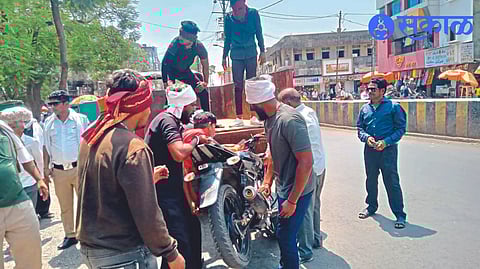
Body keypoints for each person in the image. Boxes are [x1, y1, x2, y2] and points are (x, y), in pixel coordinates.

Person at [77, 69, 185, 269]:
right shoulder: (133, 147)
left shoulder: (91, 136)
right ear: (140, 105)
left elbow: (101, 185)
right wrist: (170, 253)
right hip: (123, 254)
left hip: (93, 251)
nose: (150, 109)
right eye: (149, 103)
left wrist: (145, 179)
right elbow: (147, 212)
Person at [245, 75, 314, 269]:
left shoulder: (289, 120)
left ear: (260, 102)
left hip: (299, 190)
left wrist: (292, 201)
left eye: (252, 105)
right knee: (284, 232)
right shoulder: (269, 119)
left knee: (285, 235)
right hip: (285, 186)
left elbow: (306, 162)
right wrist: (267, 183)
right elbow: (273, 153)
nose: (251, 109)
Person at [145, 82, 210, 269]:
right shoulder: (167, 120)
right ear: (182, 106)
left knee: (193, 228)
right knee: (178, 245)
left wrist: (188, 197)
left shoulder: (170, 120)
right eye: (191, 106)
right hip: (163, 193)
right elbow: (179, 153)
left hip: (173, 191)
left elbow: (178, 165)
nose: (193, 110)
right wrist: (197, 140)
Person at [278, 88, 326, 264]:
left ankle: (305, 251)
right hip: (320, 165)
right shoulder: (309, 111)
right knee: (314, 205)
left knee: (303, 208)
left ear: (289, 102)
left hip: (309, 168)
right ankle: (315, 238)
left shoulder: (295, 119)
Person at [356, 79, 407, 229]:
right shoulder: (365, 108)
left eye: (373, 89)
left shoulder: (393, 107)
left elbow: (400, 129)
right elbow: (360, 128)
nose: (370, 92)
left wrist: (386, 142)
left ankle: (399, 214)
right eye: (369, 89)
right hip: (370, 150)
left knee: (391, 181)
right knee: (370, 179)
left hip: (388, 150)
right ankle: (371, 206)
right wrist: (367, 138)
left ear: (382, 91)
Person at [43, 90, 89, 250]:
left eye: (55, 103)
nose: (52, 107)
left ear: (65, 104)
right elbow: (45, 146)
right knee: (65, 206)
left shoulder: (80, 120)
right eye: (51, 104)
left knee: (85, 202)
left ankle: (87, 234)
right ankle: (70, 235)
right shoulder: (48, 123)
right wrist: (45, 168)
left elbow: (88, 143)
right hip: (59, 170)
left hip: (78, 167)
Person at [0, 119, 48, 269]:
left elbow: (23, 155)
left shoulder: (4, 129)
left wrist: (39, 179)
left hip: (18, 201)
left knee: (31, 260)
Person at [223, 0, 266, 127]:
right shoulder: (228, 19)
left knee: (252, 84)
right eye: (235, 10)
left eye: (240, 9)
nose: (237, 12)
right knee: (238, 86)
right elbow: (227, 38)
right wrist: (224, 56)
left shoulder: (253, 14)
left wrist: (263, 51)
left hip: (251, 53)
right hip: (236, 55)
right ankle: (239, 117)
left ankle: (253, 115)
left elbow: (259, 33)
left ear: (244, 4)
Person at [0, 107, 46, 208]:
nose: (22, 127)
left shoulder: (30, 142)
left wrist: (40, 179)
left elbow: (34, 161)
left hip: (28, 184)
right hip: (9, 188)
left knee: (30, 215)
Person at [162, 21, 210, 111]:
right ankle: (167, 117)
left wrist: (205, 82)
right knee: (172, 94)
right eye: (182, 43)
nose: (185, 46)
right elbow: (165, 63)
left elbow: (205, 65)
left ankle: (208, 118)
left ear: (193, 41)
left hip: (185, 72)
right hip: (172, 72)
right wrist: (166, 82)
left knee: (203, 93)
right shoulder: (175, 43)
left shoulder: (199, 47)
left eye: (187, 44)